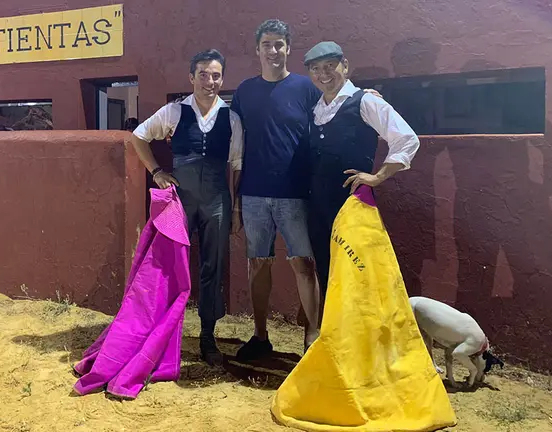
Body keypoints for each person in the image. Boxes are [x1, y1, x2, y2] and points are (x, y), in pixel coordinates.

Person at [231, 19, 381, 360]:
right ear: (257, 50)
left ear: (288, 48)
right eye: (267, 44)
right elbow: (235, 144)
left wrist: (364, 95)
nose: (273, 50)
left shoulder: (307, 88)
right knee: (258, 264)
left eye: (279, 44)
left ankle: (312, 338)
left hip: (297, 193)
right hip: (253, 194)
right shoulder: (243, 92)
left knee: (304, 265)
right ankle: (259, 336)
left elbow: (337, 101)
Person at [129, 49, 244, 367]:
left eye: (216, 75)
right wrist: (156, 172)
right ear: (192, 77)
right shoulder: (173, 112)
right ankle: (162, 338)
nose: (210, 81)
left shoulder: (231, 118)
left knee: (212, 268)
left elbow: (235, 166)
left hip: (217, 201)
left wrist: (235, 210)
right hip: (181, 200)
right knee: (169, 268)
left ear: (223, 79)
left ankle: (208, 337)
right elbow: (138, 138)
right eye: (204, 74)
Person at [304, 41, 420, 299]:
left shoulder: (365, 101)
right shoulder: (316, 109)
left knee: (356, 272)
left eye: (330, 66)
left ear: (345, 66)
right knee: (327, 271)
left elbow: (407, 139)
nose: (323, 74)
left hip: (352, 205)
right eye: (316, 69)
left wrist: (378, 176)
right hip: (319, 206)